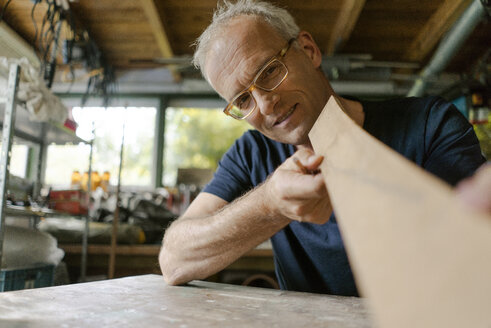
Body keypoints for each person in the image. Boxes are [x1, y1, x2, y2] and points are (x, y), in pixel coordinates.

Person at [159, 0, 486, 296]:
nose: (266, 104)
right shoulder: (252, 153)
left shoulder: (430, 124)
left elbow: (471, 257)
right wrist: (270, 204)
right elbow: (173, 259)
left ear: (309, 50)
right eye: (243, 99)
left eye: (270, 70)